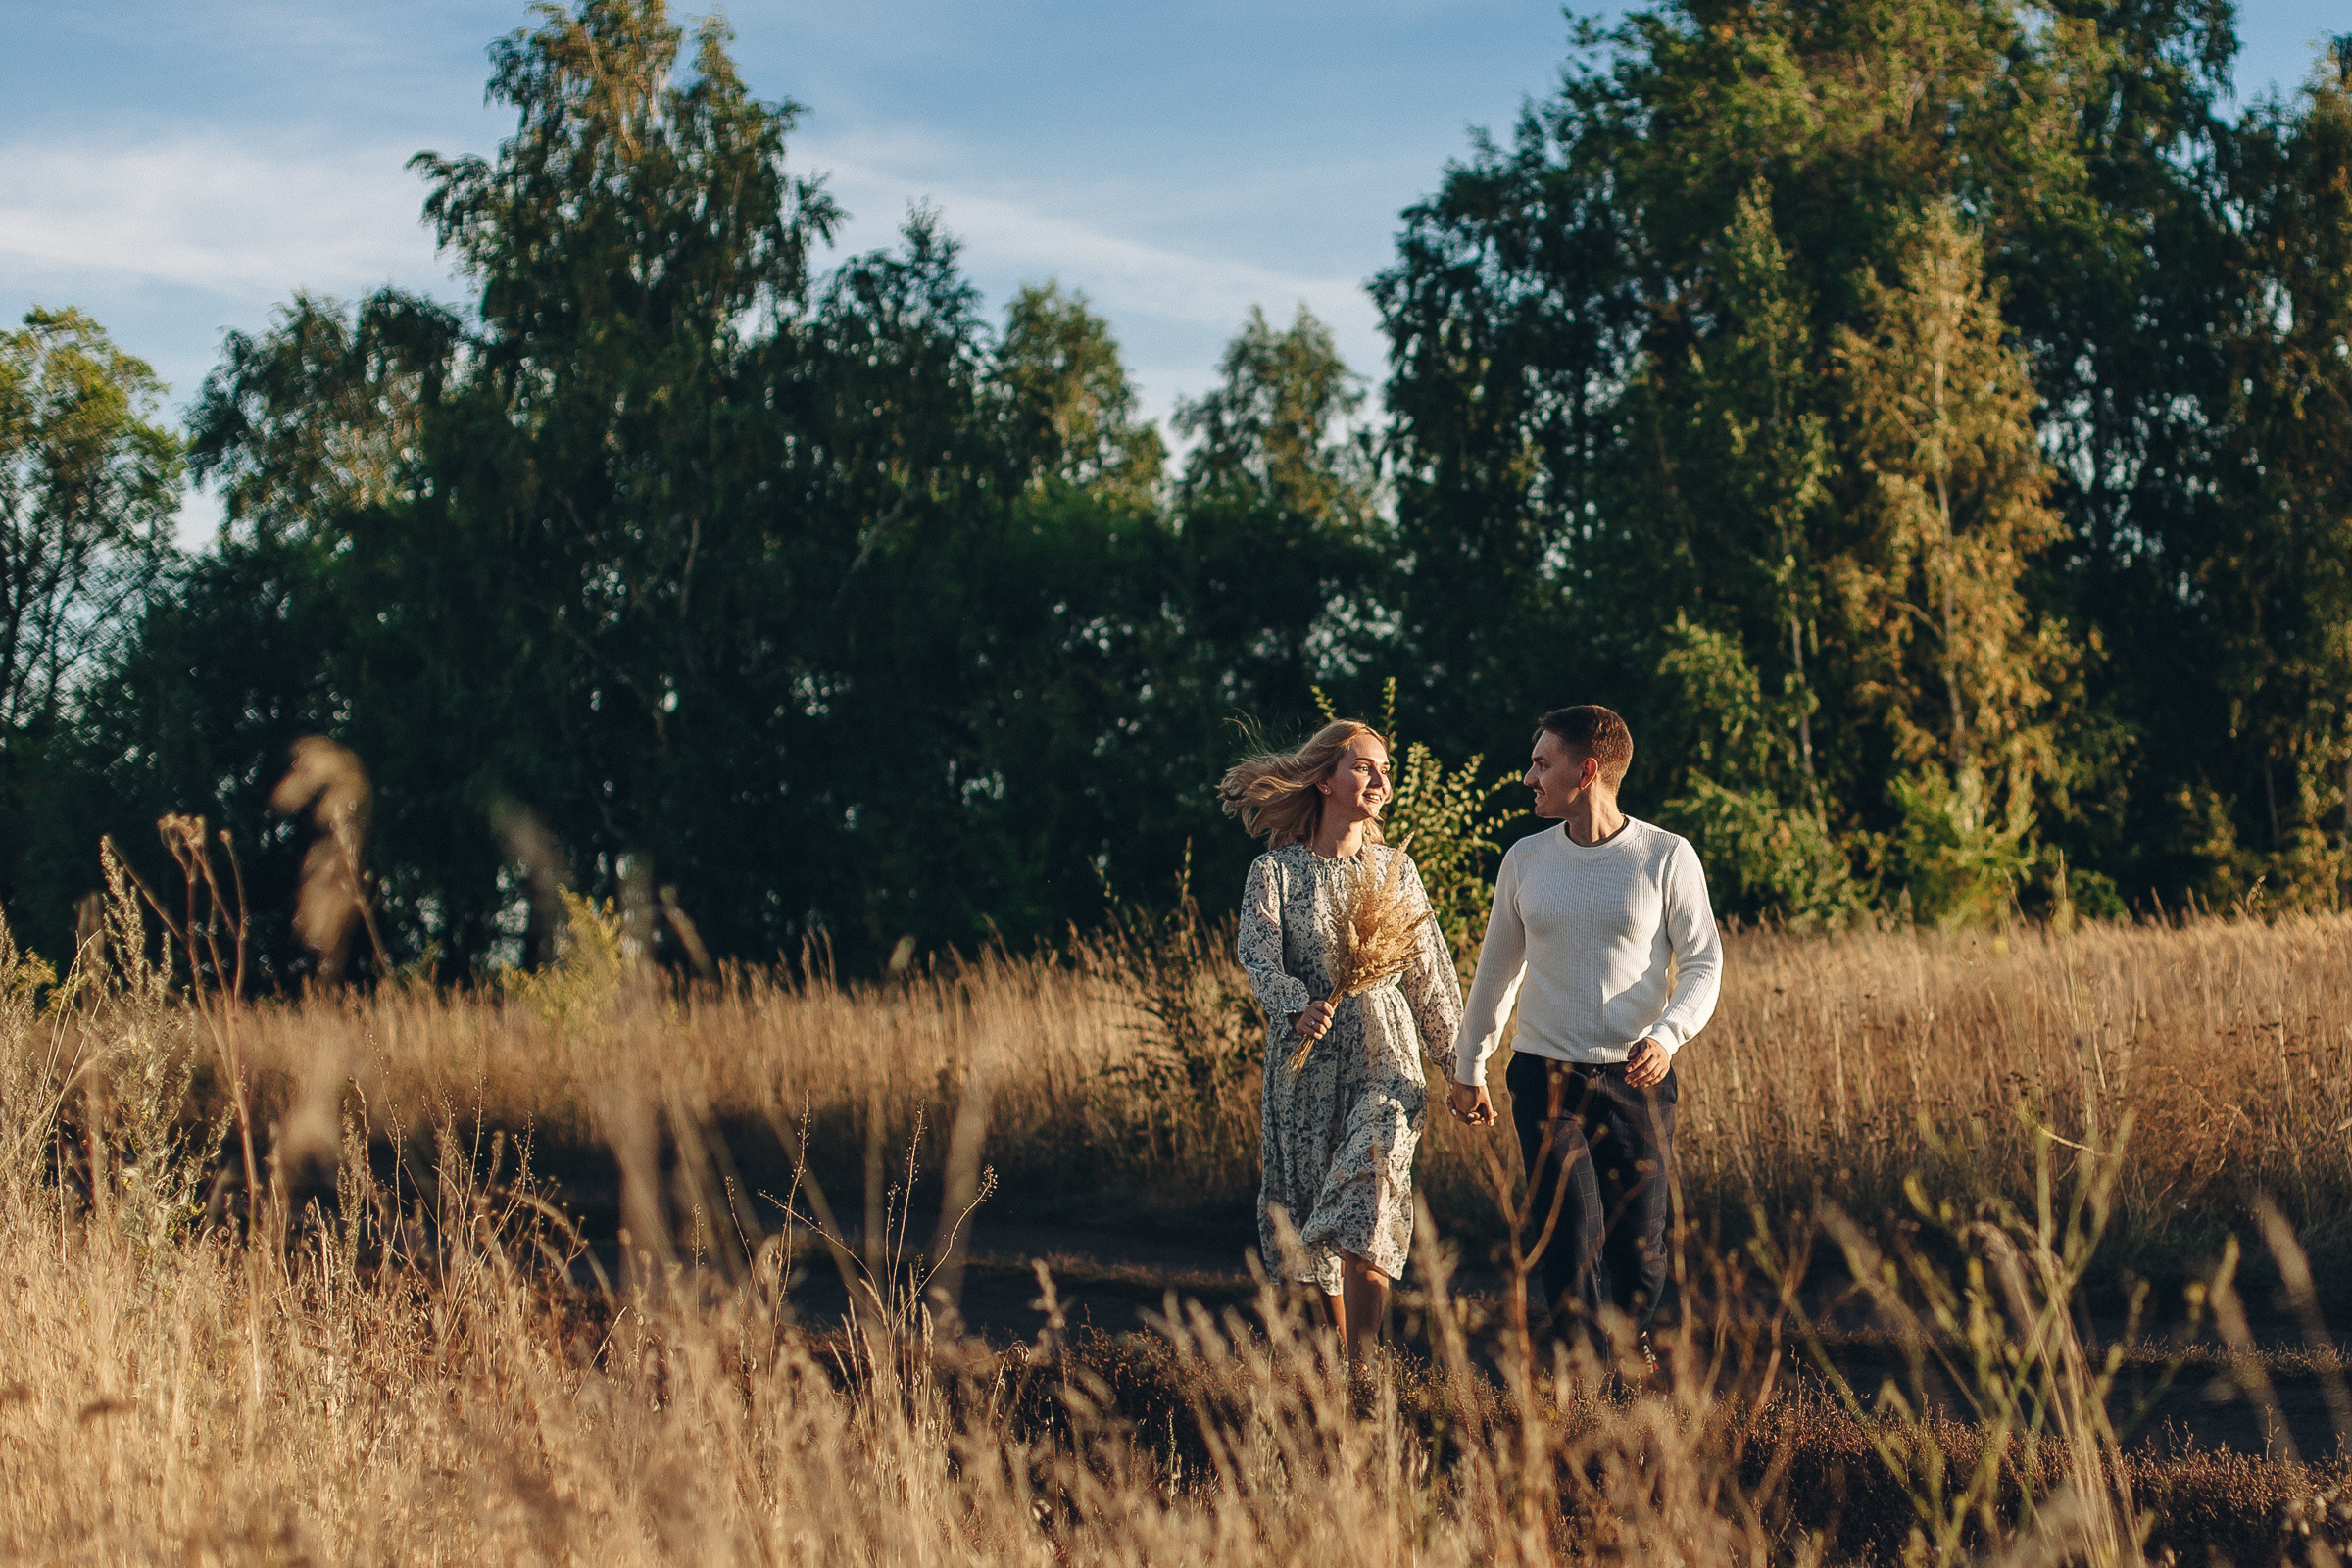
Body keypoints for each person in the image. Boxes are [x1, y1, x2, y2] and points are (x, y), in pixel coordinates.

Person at [1447, 705, 1722, 1364]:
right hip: (1545, 1077)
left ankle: (1631, 1350)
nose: (1528, 777)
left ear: (1587, 769)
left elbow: (1705, 961)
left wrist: (1667, 1036)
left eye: (1542, 763)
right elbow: (1496, 972)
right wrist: (1469, 1065)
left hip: (1638, 1079)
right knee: (1568, 1239)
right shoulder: (1526, 859)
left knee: (1642, 1251)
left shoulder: (1665, 856)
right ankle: (1584, 1390)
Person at [1220, 720, 1463, 1372]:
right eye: (1364, 767)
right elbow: (1257, 954)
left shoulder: (1396, 869)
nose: (1381, 781)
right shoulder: (1275, 872)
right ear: (1324, 778)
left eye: (1385, 768)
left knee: (1372, 1193)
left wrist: (1462, 1068)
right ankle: (1344, 1362)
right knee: (1315, 1211)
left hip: (1387, 1053)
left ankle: (1363, 1367)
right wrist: (1297, 1005)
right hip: (1309, 1061)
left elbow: (1430, 972)